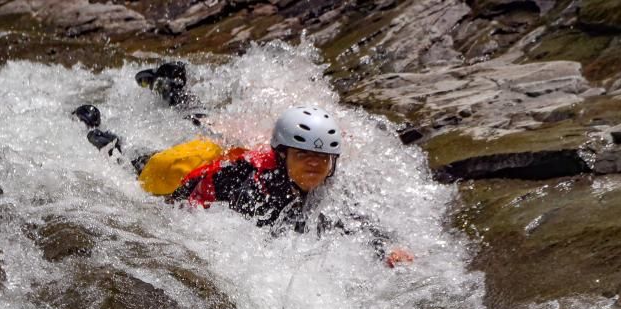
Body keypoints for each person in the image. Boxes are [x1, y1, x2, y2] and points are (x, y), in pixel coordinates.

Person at [73, 67, 414, 267]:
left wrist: (385, 248)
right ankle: (98, 135)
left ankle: (173, 89)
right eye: (305, 155)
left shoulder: (324, 182)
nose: (315, 164)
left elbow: (353, 219)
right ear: (282, 157)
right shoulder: (253, 191)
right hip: (186, 182)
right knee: (144, 168)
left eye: (323, 158)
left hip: (224, 157)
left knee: (204, 125)